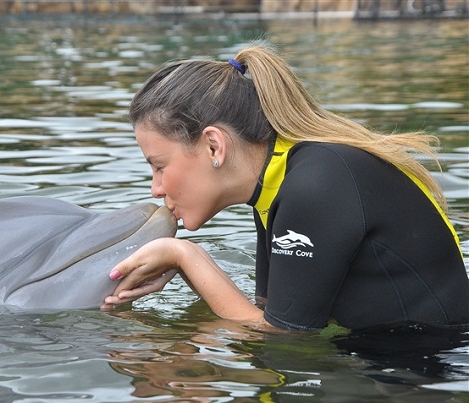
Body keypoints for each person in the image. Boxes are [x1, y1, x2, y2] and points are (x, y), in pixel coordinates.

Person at [102, 41, 469, 331]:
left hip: (424, 375)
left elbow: (282, 340)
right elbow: (268, 311)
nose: (156, 188)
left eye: (159, 166)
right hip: (387, 366)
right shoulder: (275, 183)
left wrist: (186, 256)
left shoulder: (314, 185)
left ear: (214, 146)